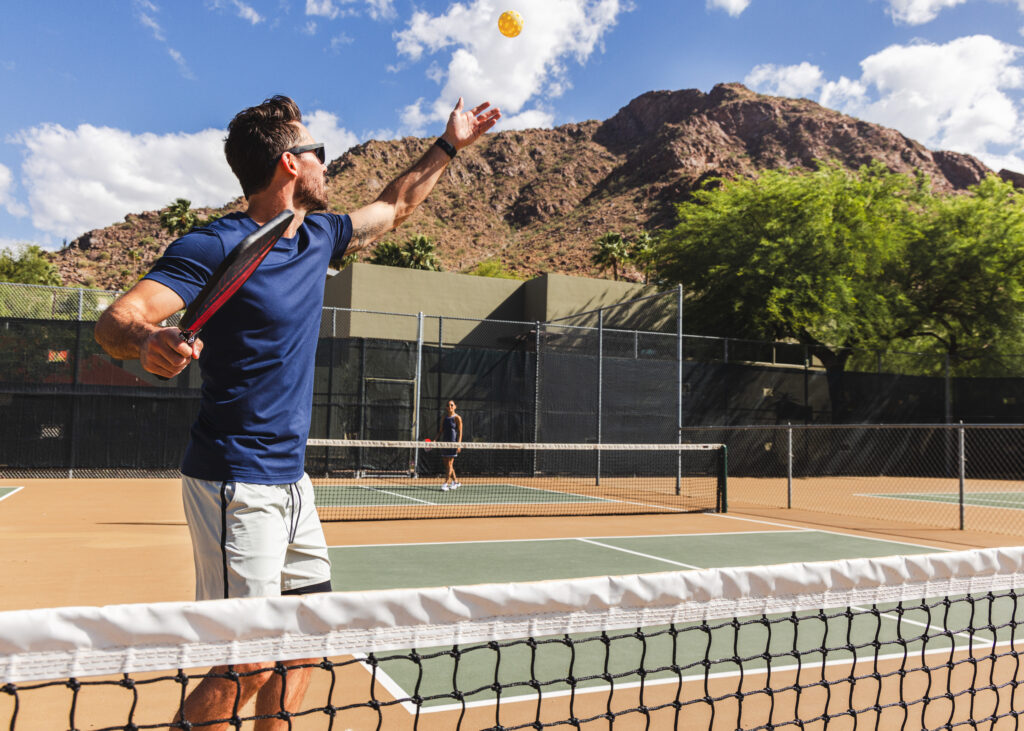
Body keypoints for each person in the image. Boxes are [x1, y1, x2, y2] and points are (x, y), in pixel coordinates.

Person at [93, 94, 499, 730]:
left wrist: (450, 144)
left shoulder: (319, 236)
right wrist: (147, 341)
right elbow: (116, 318)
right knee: (247, 663)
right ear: (290, 163)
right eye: (319, 153)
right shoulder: (215, 245)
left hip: (292, 482)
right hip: (234, 479)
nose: (326, 165)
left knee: (305, 642)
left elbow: (397, 205)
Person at [435, 399, 463, 490]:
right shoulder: (444, 418)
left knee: (450, 463)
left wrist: (458, 444)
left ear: (455, 406)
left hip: (453, 444)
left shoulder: (457, 418)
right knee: (447, 464)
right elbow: (440, 431)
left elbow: (460, 432)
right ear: (446, 407)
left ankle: (446, 483)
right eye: (448, 405)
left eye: (452, 405)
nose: (450, 407)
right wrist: (435, 440)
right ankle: (456, 482)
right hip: (445, 443)